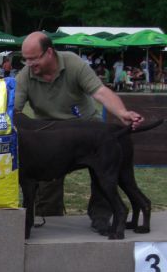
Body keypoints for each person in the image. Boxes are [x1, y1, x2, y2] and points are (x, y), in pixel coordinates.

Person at [15, 31, 143, 231]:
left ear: (49, 52)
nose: (29, 64)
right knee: (47, 186)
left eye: (33, 58)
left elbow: (99, 91)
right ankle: (50, 219)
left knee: (102, 177)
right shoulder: (25, 76)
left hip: (85, 129)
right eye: (26, 59)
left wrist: (122, 112)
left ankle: (101, 218)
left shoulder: (73, 63)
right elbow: (14, 110)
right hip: (51, 136)